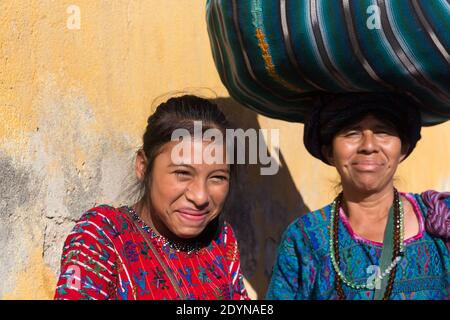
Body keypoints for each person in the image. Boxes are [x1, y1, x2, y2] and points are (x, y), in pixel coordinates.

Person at [54, 95, 249, 300]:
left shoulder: (221, 239)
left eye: (218, 177)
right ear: (143, 166)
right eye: (183, 173)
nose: (200, 197)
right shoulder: (104, 236)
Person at [266, 93, 449, 300]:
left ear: (403, 149)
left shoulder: (441, 220)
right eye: (351, 133)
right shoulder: (304, 237)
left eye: (383, 132)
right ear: (329, 152)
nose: (368, 146)